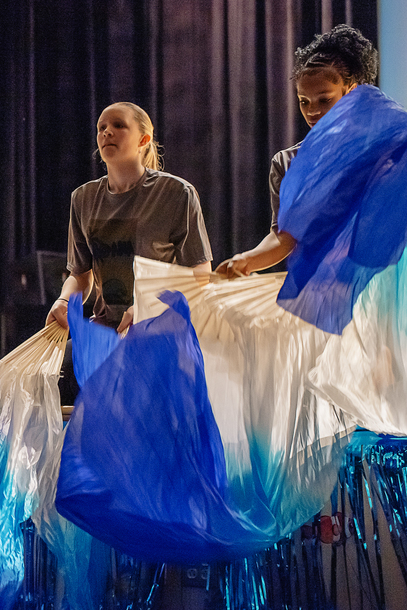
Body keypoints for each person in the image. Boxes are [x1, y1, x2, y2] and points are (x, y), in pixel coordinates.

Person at [46, 102, 213, 403]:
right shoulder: (83, 198)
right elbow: (79, 275)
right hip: (106, 333)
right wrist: (63, 300)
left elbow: (200, 275)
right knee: (50, 383)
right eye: (101, 128)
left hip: (161, 331)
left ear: (144, 139)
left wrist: (148, 307)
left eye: (119, 125)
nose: (107, 131)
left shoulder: (176, 194)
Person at [216, 24, 379, 278]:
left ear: (351, 92)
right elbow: (285, 237)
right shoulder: (287, 163)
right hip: (319, 288)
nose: (312, 111)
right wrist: (246, 260)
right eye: (304, 102)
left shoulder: (379, 152)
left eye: (324, 100)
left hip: (376, 286)